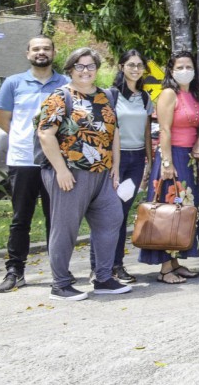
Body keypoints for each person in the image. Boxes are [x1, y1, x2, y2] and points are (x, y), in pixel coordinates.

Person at [36, 48, 128, 301]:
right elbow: (45, 134)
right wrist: (61, 170)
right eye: (80, 66)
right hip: (70, 173)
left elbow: (114, 134)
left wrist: (115, 167)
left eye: (90, 66)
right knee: (65, 228)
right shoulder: (59, 97)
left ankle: (103, 277)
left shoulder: (105, 96)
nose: (85, 71)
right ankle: (61, 284)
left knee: (112, 219)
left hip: (102, 173)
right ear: (70, 69)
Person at [0, 36, 68, 293]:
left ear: (54, 52)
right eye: (36, 49)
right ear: (28, 53)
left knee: (56, 217)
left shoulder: (66, 84)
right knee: (20, 218)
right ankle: (15, 270)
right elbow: (5, 120)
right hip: (23, 160)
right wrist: (27, 140)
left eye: (46, 48)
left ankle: (59, 270)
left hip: (55, 162)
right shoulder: (13, 83)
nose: (41, 52)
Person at [141, 51, 199, 285]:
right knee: (169, 210)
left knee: (183, 212)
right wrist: (166, 163)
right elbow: (164, 130)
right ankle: (165, 267)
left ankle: (176, 261)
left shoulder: (192, 94)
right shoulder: (169, 94)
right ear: (171, 70)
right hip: (172, 156)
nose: (185, 70)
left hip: (188, 158)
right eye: (180, 66)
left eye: (189, 66)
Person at [99, 50, 153, 284]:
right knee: (108, 214)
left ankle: (116, 265)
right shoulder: (110, 95)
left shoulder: (144, 98)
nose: (135, 69)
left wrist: (150, 161)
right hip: (115, 160)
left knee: (121, 214)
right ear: (121, 67)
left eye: (140, 65)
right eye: (131, 64)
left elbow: (147, 132)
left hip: (136, 160)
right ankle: (100, 266)